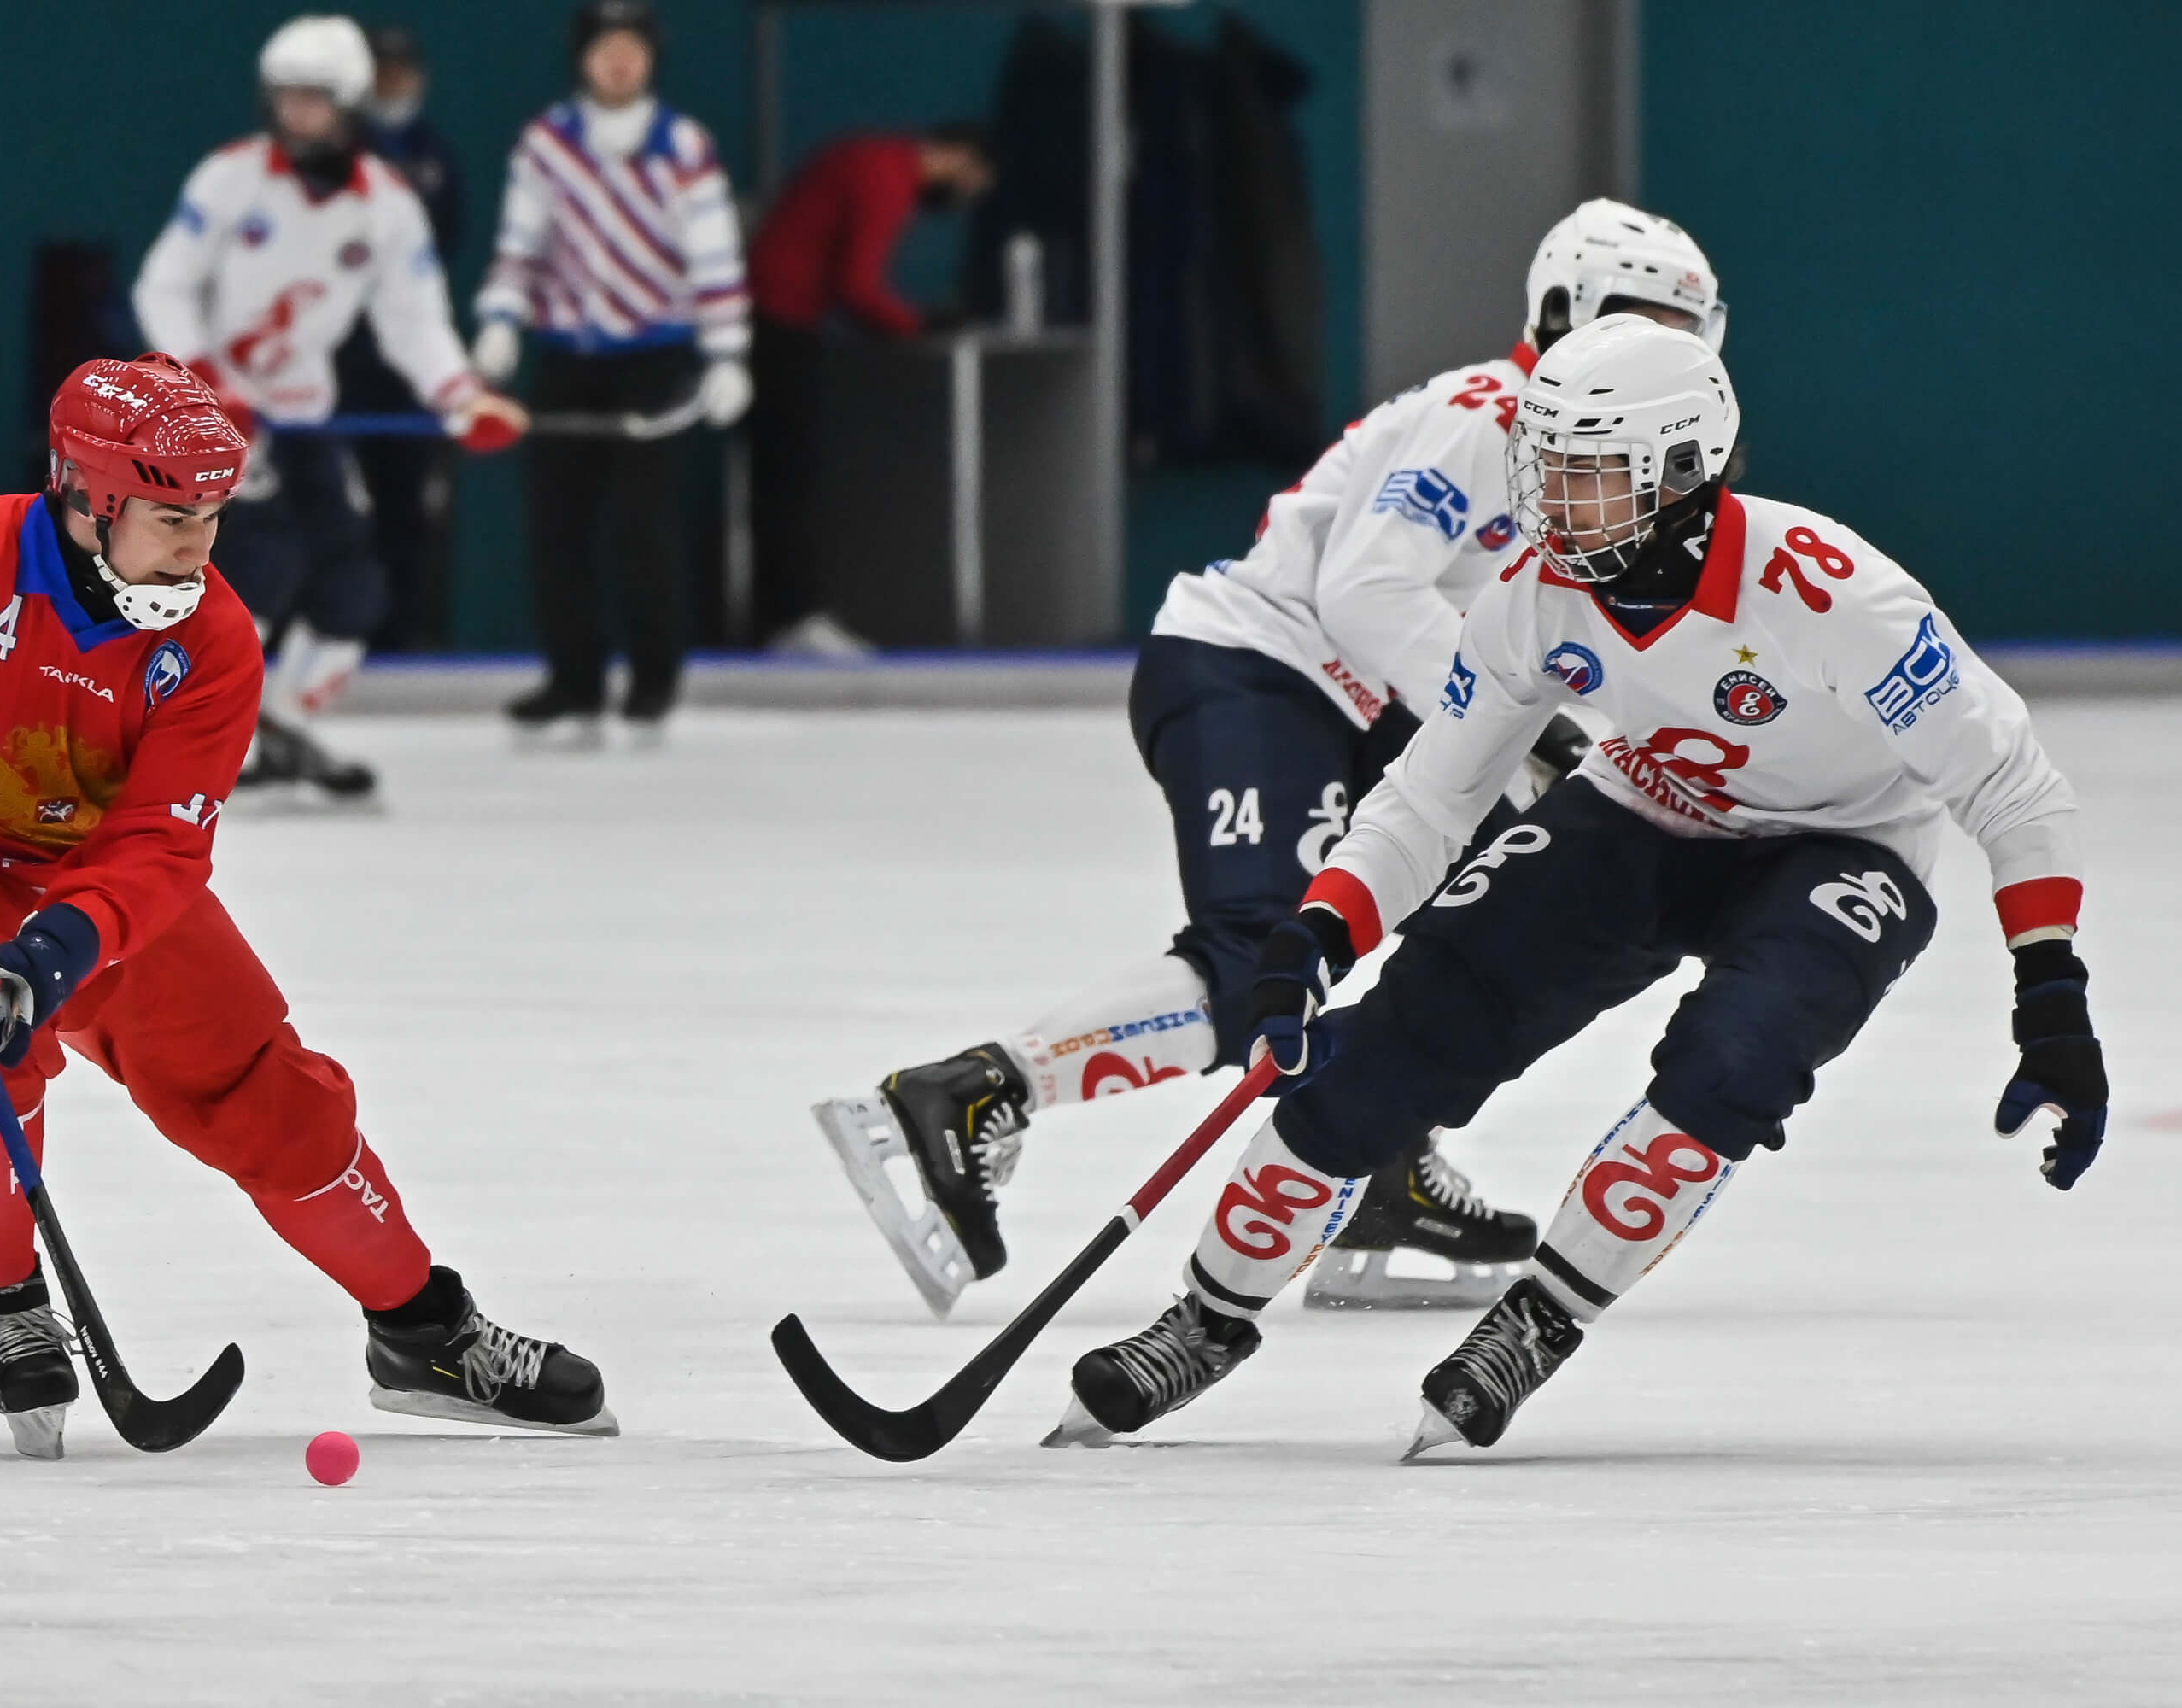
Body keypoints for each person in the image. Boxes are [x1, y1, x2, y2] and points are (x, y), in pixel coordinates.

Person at [1051, 314, 2103, 1454]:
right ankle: (1204, 1321)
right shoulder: (1533, 598)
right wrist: (1321, 928)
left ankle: (1540, 1320)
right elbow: (1432, 794)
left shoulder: (1835, 597)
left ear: (1683, 475)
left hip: (1844, 847)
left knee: (1736, 1063)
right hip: (1641, 809)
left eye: (1586, 479)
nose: (1550, 510)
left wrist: (2051, 996)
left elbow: (2017, 790)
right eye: (1542, 473)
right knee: (1405, 1031)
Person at [819, 201, 1725, 1317]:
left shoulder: (1598, 459)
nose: (1653, 355)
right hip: (1259, 670)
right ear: (1557, 311)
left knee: (1507, 914)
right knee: (1262, 970)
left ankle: (1381, 1160)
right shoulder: (1492, 415)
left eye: (1680, 337)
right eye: (1634, 320)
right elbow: (1366, 590)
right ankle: (973, 1094)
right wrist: (1513, 727)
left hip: (1355, 702)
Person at [0, 355, 611, 1459]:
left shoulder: (214, 642)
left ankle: (423, 1328)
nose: (199, 548)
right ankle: (6, 1305)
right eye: (173, 518)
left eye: (215, 518)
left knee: (267, 1092)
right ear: (89, 497)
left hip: (96, 889)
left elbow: (164, 845)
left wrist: (68, 943)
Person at [133, 12, 524, 798]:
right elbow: (163, 284)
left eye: (314, 99)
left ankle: (279, 724)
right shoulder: (230, 178)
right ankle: (210, 731)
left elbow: (413, 319)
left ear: (349, 104)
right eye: (285, 97)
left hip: (306, 415)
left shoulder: (387, 205)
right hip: (217, 421)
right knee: (257, 572)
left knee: (355, 593)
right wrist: (206, 383)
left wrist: (460, 397)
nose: (296, 114)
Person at [475, 0, 751, 737]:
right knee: (556, 522)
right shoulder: (548, 144)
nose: (620, 60)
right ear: (583, 57)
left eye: (633, 46)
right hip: (568, 356)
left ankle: (655, 679)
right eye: (606, 47)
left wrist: (727, 353)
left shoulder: (682, 146)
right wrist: (502, 319)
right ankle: (574, 679)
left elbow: (715, 255)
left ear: (653, 57)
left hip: (654, 357)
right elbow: (520, 244)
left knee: (642, 524)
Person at [745, 125, 994, 655]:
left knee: (777, 476)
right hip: (778, 326)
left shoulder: (864, 158)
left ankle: (781, 617)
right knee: (791, 476)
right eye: (971, 181)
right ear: (959, 158)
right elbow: (858, 285)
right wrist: (917, 324)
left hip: (770, 319)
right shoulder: (888, 177)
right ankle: (794, 617)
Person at [334, 23, 467, 653]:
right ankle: (329, 635)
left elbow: (449, 241)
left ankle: (401, 637)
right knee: (330, 504)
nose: (393, 86)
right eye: (380, 74)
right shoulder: (331, 154)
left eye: (402, 73)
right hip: (337, 356)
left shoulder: (435, 156)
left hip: (406, 362)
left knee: (406, 505)